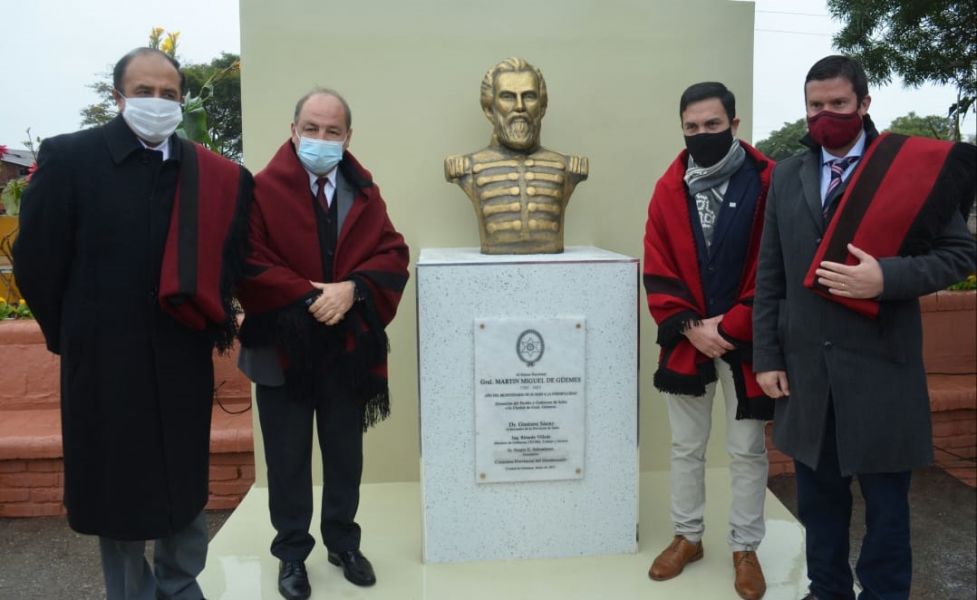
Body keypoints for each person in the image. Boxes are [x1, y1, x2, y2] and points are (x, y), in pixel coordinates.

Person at [13, 47, 252, 600]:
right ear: (119, 97)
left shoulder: (205, 172)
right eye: (144, 92)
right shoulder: (71, 159)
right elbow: (38, 262)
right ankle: (130, 592)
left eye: (169, 94)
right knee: (115, 488)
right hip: (103, 361)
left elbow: (230, 262)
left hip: (180, 355)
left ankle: (179, 582)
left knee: (184, 480)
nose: (157, 103)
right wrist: (72, 334)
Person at [753, 55, 977, 599]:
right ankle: (827, 590)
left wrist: (887, 278)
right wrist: (767, 357)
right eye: (815, 106)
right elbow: (770, 273)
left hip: (882, 373)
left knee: (887, 512)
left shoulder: (909, 171)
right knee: (819, 506)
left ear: (865, 104)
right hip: (809, 377)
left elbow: (959, 254)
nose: (825, 115)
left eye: (838, 104)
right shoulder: (787, 174)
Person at [236, 88, 409, 600]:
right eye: (311, 128)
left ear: (347, 137)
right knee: (287, 461)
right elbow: (249, 261)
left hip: (345, 350)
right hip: (280, 349)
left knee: (344, 455)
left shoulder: (364, 190)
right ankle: (292, 555)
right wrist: (314, 297)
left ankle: (342, 543)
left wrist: (353, 290)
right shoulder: (260, 189)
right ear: (293, 131)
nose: (321, 139)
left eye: (332, 131)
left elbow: (392, 253)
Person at [642, 82, 774, 600]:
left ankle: (745, 547)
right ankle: (687, 537)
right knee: (685, 446)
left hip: (744, 342)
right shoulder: (668, 188)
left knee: (745, 450)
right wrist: (691, 326)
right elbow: (658, 261)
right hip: (687, 340)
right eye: (692, 127)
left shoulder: (768, 182)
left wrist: (730, 326)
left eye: (712, 126)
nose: (702, 134)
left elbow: (775, 264)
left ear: (734, 125)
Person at [444, 56, 588, 254]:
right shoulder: (466, 168)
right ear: (489, 109)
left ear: (543, 106)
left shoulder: (567, 166)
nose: (519, 107)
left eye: (529, 96)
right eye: (508, 97)